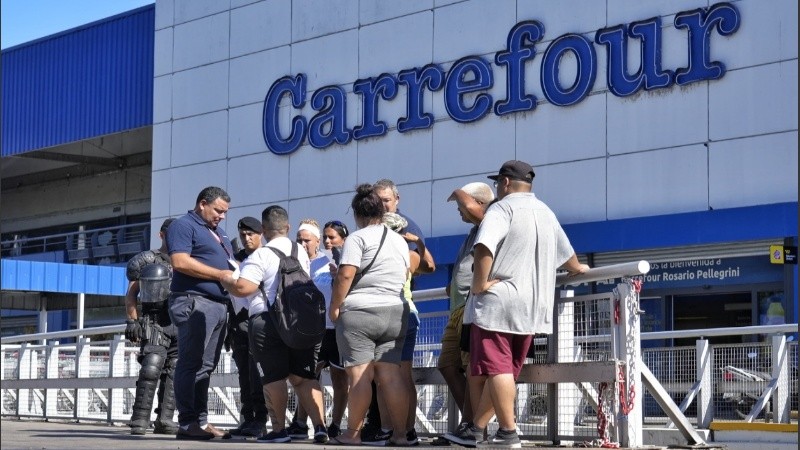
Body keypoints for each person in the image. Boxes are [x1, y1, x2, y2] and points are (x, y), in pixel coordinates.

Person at [446, 161, 589, 448]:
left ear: (506, 183)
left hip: (499, 303)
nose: (498, 188)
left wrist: (480, 284)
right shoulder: (546, 212)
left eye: (498, 182)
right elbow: (568, 257)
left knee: (496, 370)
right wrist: (579, 268)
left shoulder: (501, 208)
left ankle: (508, 433)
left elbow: (484, 245)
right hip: (533, 306)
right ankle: (477, 429)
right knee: (506, 371)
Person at [220, 206, 329, 444]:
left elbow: (244, 288)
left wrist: (227, 280)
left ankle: (278, 430)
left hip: (267, 322)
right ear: (288, 228)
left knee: (273, 378)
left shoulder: (260, 255)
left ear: (263, 229)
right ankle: (320, 427)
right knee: (304, 376)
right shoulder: (299, 250)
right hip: (298, 320)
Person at [327, 184, 411, 446]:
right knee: (390, 376)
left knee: (359, 375)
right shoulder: (399, 240)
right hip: (395, 312)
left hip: (360, 312)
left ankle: (352, 434)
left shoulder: (357, 238)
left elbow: (346, 274)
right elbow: (406, 274)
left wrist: (335, 306)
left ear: (357, 214)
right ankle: (400, 434)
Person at [366, 179, 436, 444]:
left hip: (398, 309)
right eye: (378, 200)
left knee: (395, 375)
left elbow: (426, 265)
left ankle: (403, 429)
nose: (383, 205)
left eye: (386, 200)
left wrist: (415, 244)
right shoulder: (379, 231)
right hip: (392, 310)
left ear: (396, 199)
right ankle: (394, 429)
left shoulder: (404, 228)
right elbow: (427, 265)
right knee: (388, 376)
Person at [166, 186, 234, 440]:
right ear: (202, 204)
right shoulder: (184, 226)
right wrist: (220, 274)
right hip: (194, 302)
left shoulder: (218, 233)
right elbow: (180, 262)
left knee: (206, 366)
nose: (222, 216)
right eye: (218, 210)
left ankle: (201, 422)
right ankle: (186, 423)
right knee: (190, 362)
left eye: (225, 212)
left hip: (218, 305)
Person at [435, 182, 494, 446]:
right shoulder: (471, 232)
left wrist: (457, 193)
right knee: (448, 365)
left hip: (472, 308)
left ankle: (472, 426)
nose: (459, 211)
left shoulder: (489, 221)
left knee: (472, 369)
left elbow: (476, 207)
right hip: (457, 309)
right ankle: (469, 422)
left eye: (461, 206)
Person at [287, 219, 349, 440]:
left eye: (307, 240)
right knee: (308, 376)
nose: (303, 244)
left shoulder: (332, 260)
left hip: (334, 328)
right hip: (310, 330)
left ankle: (336, 424)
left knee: (339, 378)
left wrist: (337, 277)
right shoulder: (297, 263)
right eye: (299, 240)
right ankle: (302, 423)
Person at [124, 218, 179, 436]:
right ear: (162, 235)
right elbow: (131, 293)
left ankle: (165, 419)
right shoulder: (149, 260)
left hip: (180, 322)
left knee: (175, 371)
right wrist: (132, 320)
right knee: (151, 368)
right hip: (155, 321)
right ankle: (139, 419)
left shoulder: (185, 260)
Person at [226, 216, 269, 438]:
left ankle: (261, 418)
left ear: (260, 233)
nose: (246, 238)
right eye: (243, 235)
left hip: (258, 319)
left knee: (257, 372)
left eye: (250, 234)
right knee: (244, 372)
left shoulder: (266, 256)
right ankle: (248, 417)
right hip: (238, 323)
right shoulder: (236, 258)